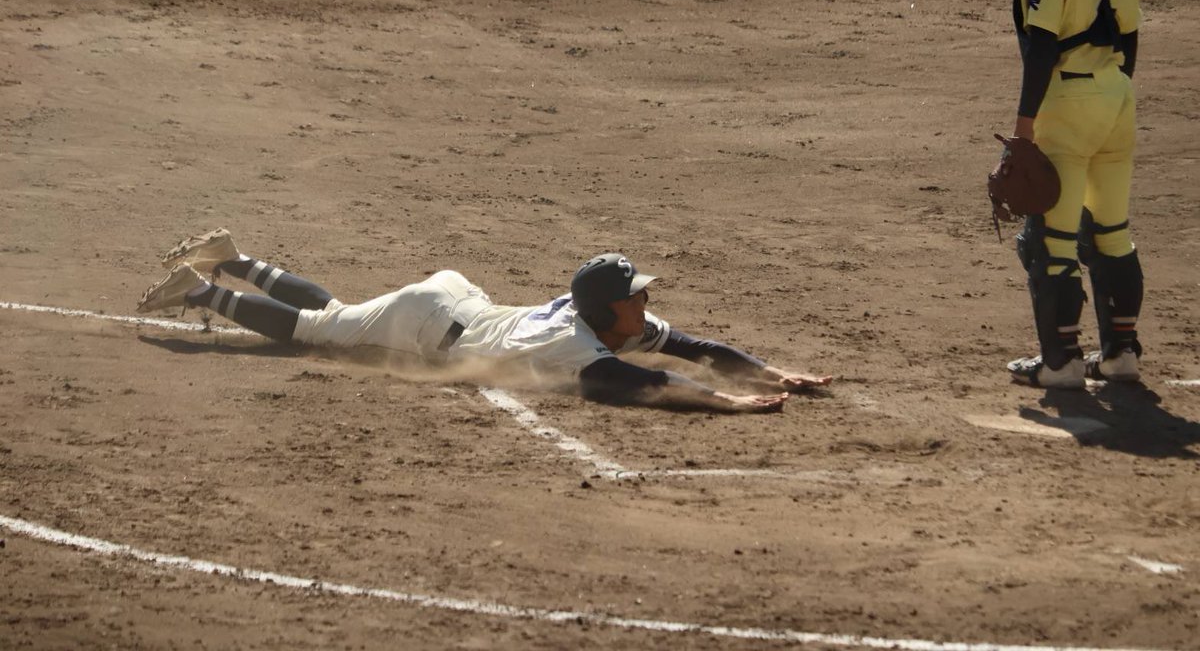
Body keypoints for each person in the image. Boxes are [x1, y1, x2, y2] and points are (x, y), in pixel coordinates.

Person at [136, 229, 833, 412]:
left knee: (343, 314)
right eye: (638, 297)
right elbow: (642, 386)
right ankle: (203, 290)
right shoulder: (572, 341)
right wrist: (730, 406)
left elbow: (691, 346)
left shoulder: (607, 320)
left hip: (452, 302)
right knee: (324, 329)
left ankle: (237, 259)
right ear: (608, 309)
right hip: (427, 322)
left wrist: (773, 373)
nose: (646, 306)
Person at [1005, 0, 1144, 389]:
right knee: (1111, 231)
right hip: (1117, 97)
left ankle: (1060, 363)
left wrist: (1025, 122)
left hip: (1068, 103)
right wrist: (1111, 93)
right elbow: (1128, 39)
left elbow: (1041, 47)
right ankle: (1120, 356)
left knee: (1051, 239)